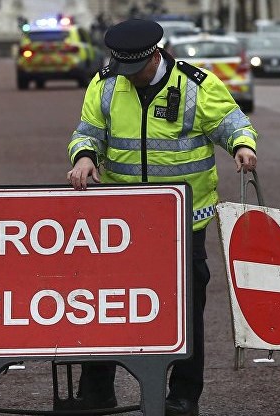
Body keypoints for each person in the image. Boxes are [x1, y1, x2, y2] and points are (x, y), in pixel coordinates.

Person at [65, 19, 258, 416]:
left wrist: (241, 145)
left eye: (136, 72)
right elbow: (88, 132)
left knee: (185, 310)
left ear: (155, 55)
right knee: (107, 305)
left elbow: (232, 121)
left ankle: (183, 396)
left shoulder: (195, 85)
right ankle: (97, 391)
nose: (130, 79)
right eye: (124, 71)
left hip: (184, 223)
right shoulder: (105, 84)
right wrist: (84, 157)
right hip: (122, 226)